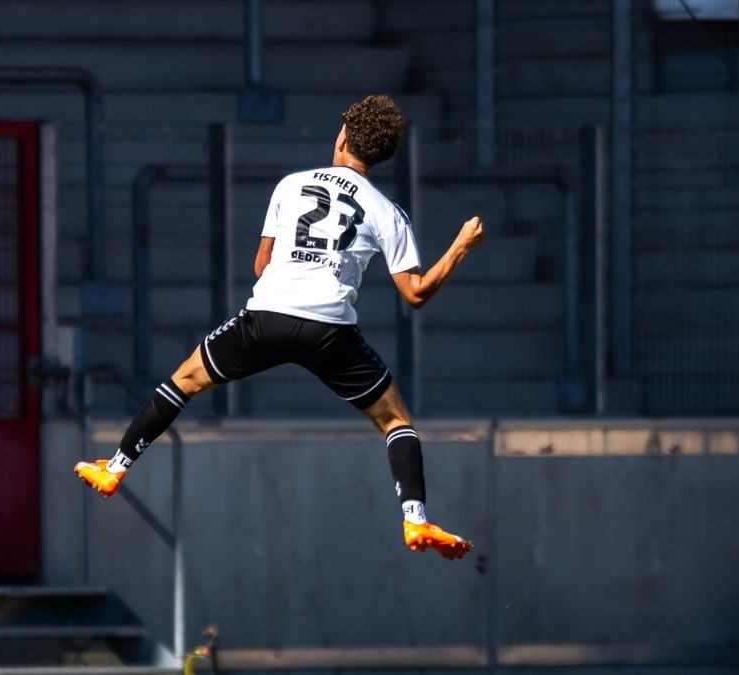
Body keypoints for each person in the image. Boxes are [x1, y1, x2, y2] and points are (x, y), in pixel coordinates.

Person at [75, 95, 484, 560]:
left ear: (343, 137)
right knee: (395, 421)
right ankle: (415, 519)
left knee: (184, 380)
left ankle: (118, 466)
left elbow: (261, 265)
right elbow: (415, 293)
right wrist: (460, 246)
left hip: (267, 317)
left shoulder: (291, 185)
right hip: (329, 330)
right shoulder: (387, 211)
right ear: (383, 155)